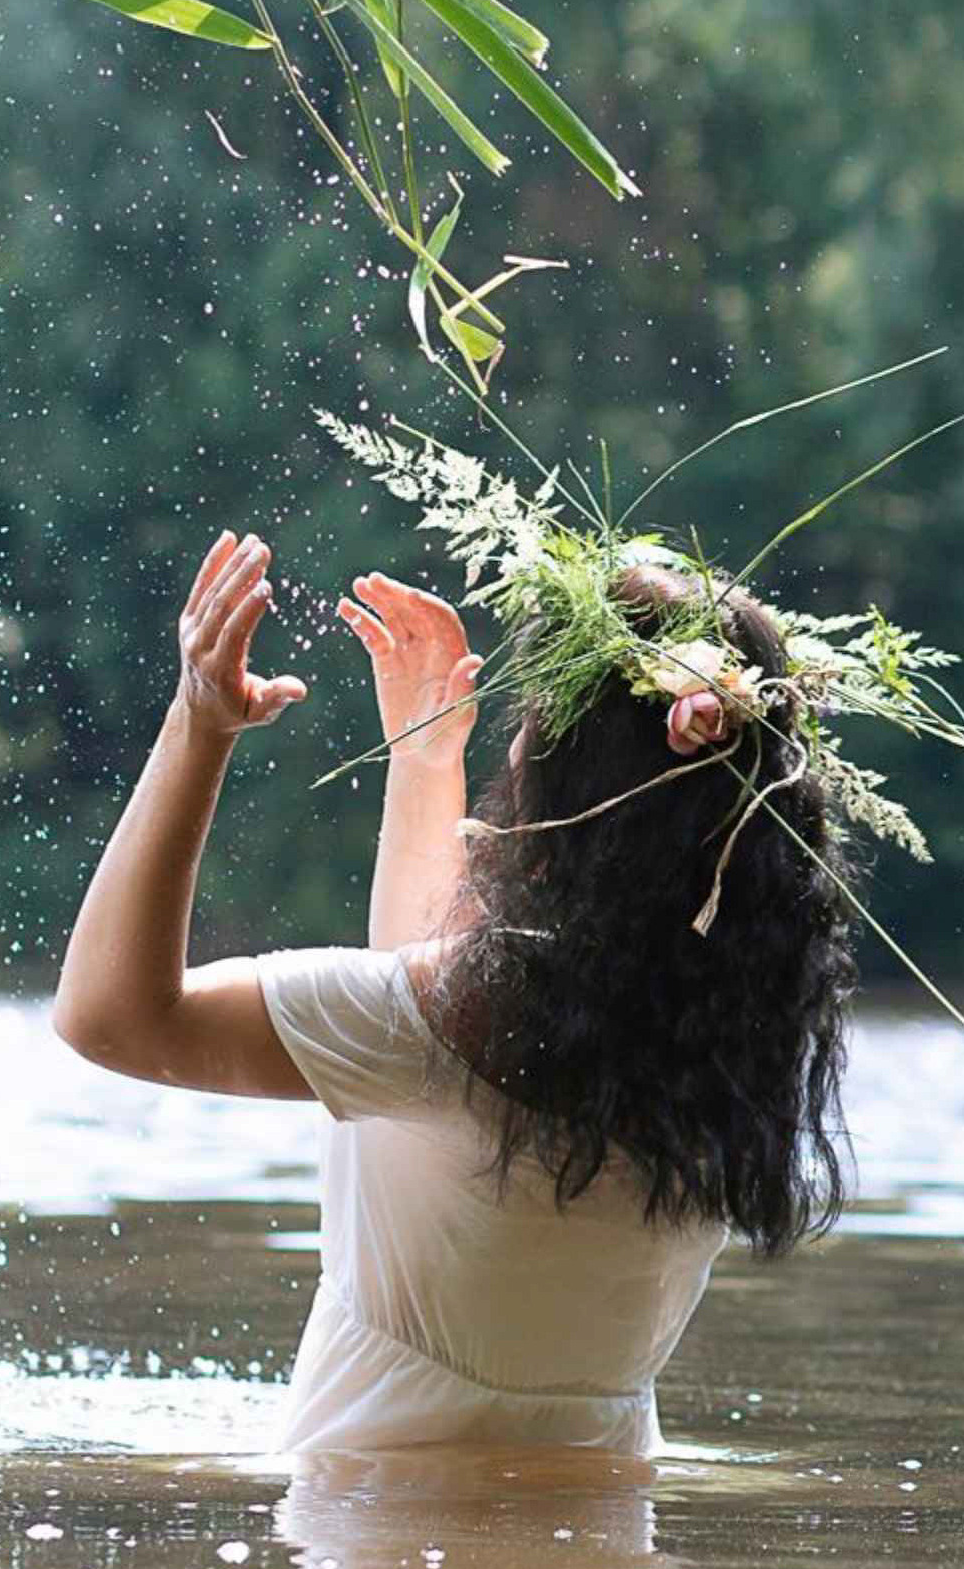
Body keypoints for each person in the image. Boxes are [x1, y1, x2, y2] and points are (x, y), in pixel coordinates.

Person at [48, 528, 859, 1454]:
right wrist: (425, 759)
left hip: (368, 1525)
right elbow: (425, 1055)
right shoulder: (731, 1053)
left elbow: (110, 1019)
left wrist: (198, 724)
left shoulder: (454, 1029)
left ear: (570, 793)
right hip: (604, 1530)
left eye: (533, 727)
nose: (514, 748)